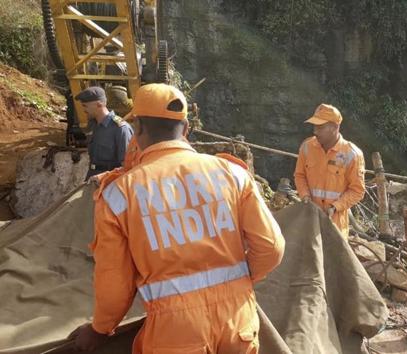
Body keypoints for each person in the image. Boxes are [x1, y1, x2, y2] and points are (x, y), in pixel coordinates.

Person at [69, 83, 285, 353]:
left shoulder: (119, 195)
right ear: (186, 129)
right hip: (238, 322)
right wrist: (237, 284)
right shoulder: (233, 174)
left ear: (138, 130)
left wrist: (100, 329)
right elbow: (271, 248)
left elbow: (116, 284)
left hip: (176, 334)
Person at [294, 103, 366, 238]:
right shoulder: (306, 147)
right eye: (315, 126)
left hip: (335, 227)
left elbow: (357, 190)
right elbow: (299, 175)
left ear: (335, 127)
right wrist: (305, 196)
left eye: (320, 127)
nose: (315, 131)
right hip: (309, 222)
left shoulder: (352, 154)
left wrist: (335, 206)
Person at [76, 86, 133, 180]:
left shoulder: (120, 128)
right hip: (92, 178)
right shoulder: (94, 126)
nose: (84, 110)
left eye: (85, 106)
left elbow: (127, 166)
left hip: (110, 183)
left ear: (99, 104)